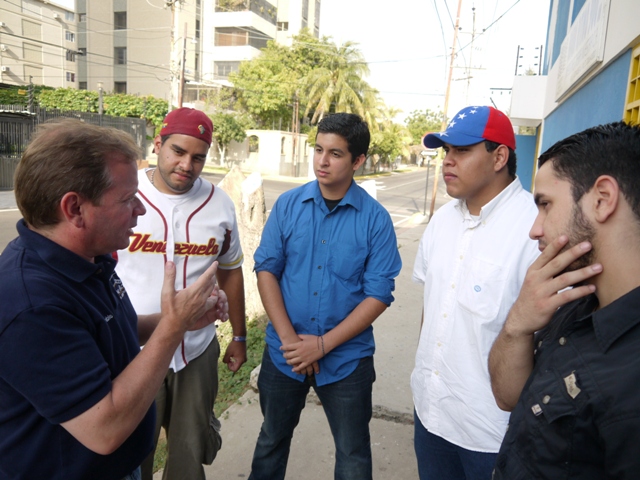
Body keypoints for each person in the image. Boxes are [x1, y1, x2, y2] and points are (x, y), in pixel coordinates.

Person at [0, 119, 228, 480]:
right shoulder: (31, 304)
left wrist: (178, 319)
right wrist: (171, 328)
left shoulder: (89, 257)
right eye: (127, 200)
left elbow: (110, 330)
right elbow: (104, 429)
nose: (140, 210)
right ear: (74, 209)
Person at [249, 113, 402, 480]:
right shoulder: (288, 205)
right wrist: (291, 342)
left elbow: (378, 295)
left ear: (358, 161)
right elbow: (266, 269)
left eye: (335, 153)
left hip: (347, 359)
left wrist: (322, 345)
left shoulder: (375, 220)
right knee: (271, 440)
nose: (322, 160)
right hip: (283, 354)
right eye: (318, 149)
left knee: (352, 454)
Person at [489, 121, 640, 478]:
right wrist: (517, 326)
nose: (535, 229)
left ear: (602, 199)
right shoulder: (573, 302)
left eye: (545, 205)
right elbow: (508, 398)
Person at [115, 108, 247, 480]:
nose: (187, 164)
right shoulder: (126, 194)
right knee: (130, 453)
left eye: (198, 156)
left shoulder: (219, 204)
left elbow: (231, 269)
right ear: (158, 145)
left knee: (190, 451)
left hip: (196, 347)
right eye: (177, 151)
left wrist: (239, 335)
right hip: (133, 347)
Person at [411, 105, 540, 479]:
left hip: (491, 433)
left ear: (499, 156)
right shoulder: (442, 222)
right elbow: (431, 309)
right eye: (445, 151)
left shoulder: (533, 229)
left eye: (462, 151)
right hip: (432, 413)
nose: (447, 162)